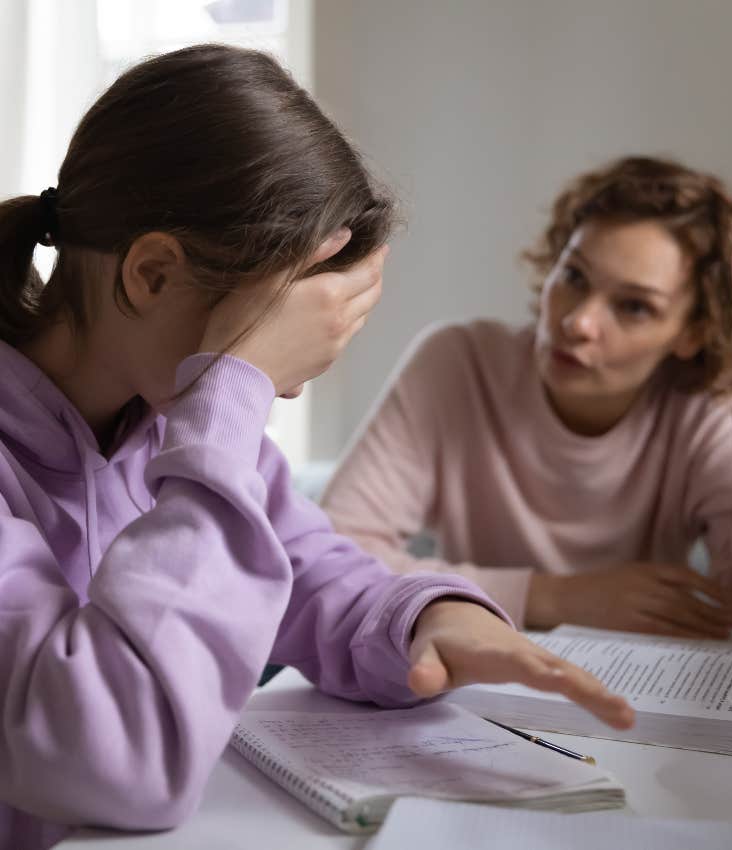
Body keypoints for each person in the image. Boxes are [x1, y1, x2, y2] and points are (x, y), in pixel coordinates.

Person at [0, 46, 633, 850]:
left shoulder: (164, 422)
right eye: (267, 347)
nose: (282, 390)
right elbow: (115, 754)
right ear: (152, 275)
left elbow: (313, 571)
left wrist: (432, 620)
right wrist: (232, 392)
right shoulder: (201, 428)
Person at [321, 156, 732, 643]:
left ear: (692, 333)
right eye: (573, 276)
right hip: (469, 679)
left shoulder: (702, 411)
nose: (578, 322)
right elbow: (331, 558)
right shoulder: (459, 364)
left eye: (634, 307)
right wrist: (555, 597)